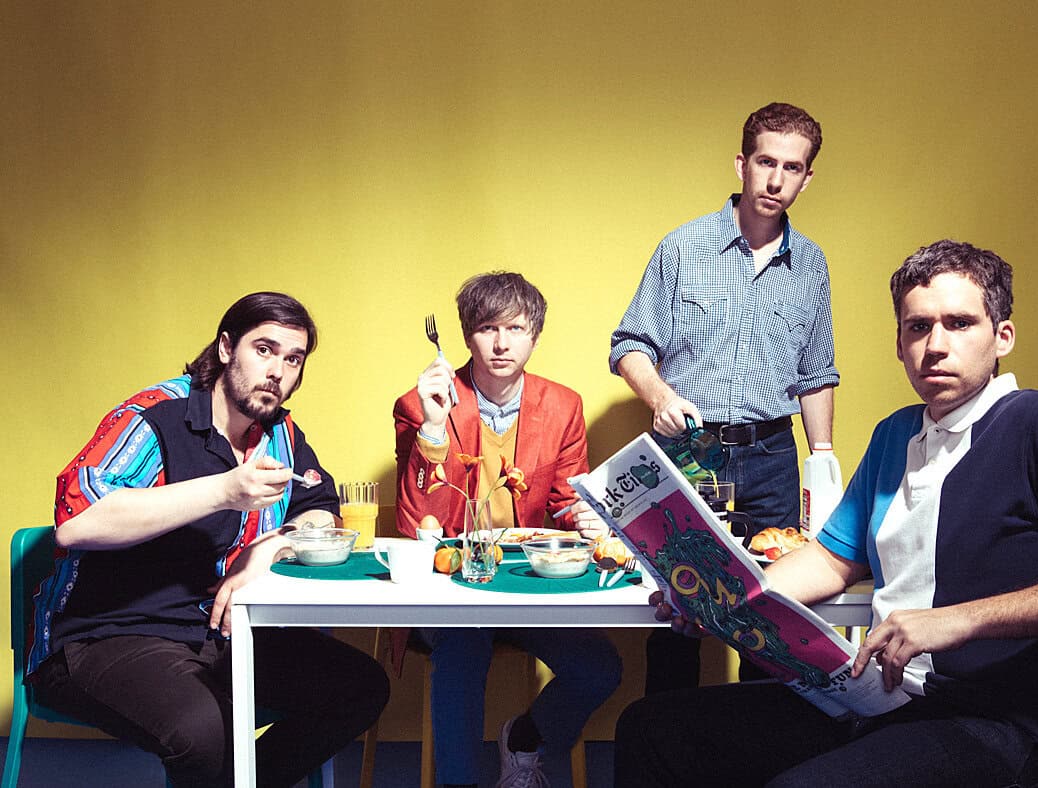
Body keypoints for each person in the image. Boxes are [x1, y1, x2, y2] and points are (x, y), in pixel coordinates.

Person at [613, 240, 1038, 787]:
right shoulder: (895, 434)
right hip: (877, 697)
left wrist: (958, 620)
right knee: (651, 729)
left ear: (1002, 336)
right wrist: (720, 596)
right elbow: (832, 561)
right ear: (900, 343)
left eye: (959, 323)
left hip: (998, 724)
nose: (935, 345)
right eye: (917, 327)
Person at [30, 292, 391, 788]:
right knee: (208, 731)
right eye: (263, 350)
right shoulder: (155, 417)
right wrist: (223, 491)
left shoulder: (280, 432)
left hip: (221, 635)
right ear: (226, 348)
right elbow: (79, 519)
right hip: (109, 636)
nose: (277, 371)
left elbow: (321, 509)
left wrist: (273, 545)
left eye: (293, 358)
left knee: (360, 688)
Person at [610, 101, 839, 691]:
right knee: (678, 614)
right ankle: (669, 755)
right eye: (765, 162)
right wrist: (659, 395)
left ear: (808, 177)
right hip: (692, 450)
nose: (775, 180)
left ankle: (759, 758)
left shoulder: (811, 264)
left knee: (775, 618)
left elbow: (816, 371)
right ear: (741, 163)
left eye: (792, 168)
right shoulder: (682, 248)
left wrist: (823, 461)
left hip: (772, 457)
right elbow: (629, 344)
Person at [394, 272, 621, 788]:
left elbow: (564, 505)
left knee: (599, 668)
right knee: (462, 648)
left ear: (535, 335)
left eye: (515, 328)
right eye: (486, 328)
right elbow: (416, 525)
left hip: (525, 582)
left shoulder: (562, 406)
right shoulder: (419, 403)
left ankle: (524, 741)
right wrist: (432, 427)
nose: (500, 343)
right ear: (466, 335)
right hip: (448, 585)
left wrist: (586, 518)